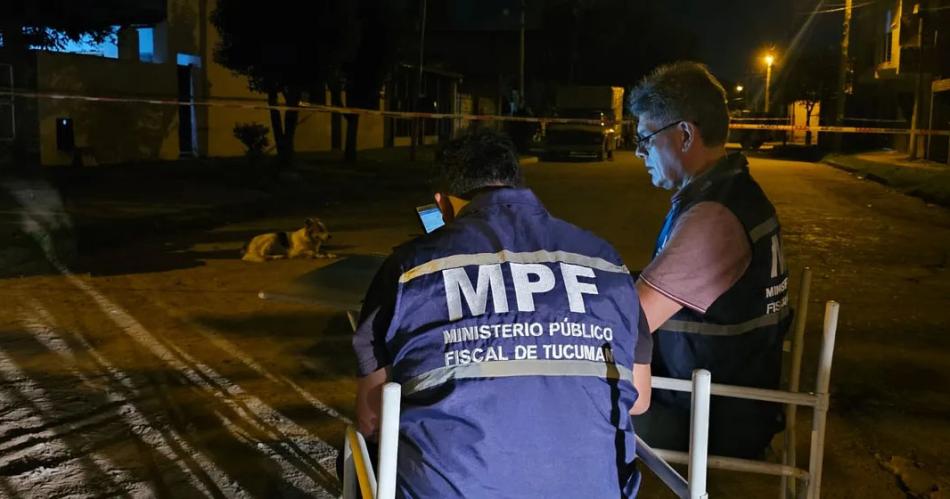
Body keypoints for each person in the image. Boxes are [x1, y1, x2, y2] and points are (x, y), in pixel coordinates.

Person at [351, 128, 652, 498]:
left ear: (442, 204)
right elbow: (639, 398)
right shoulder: (606, 261)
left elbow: (372, 419)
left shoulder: (408, 268)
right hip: (593, 491)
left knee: (359, 456)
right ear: (516, 182)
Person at [629, 61, 791, 459]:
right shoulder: (734, 193)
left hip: (707, 416)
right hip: (734, 399)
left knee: (571, 406)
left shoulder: (713, 218)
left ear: (685, 135)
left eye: (646, 138)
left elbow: (629, 319)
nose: (639, 152)